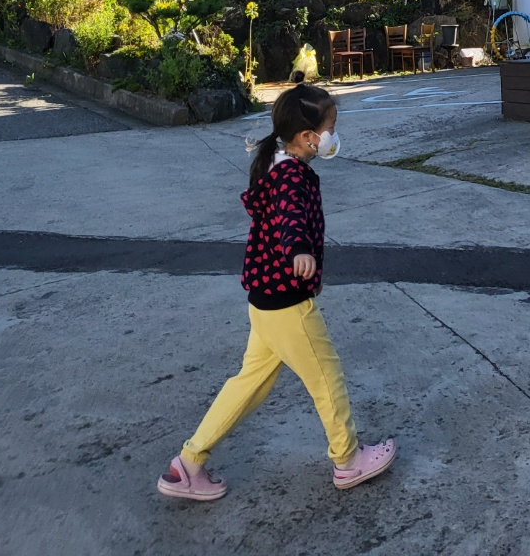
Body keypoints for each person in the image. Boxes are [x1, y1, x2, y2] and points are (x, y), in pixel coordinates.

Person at [157, 84, 396, 501]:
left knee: (249, 383)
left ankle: (187, 464)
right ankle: (348, 460)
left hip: (265, 299)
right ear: (307, 136)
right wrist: (299, 249)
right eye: (330, 128)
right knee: (327, 378)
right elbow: (289, 219)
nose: (333, 136)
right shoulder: (289, 177)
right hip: (287, 301)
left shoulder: (277, 162)